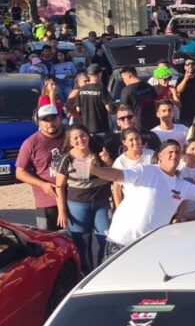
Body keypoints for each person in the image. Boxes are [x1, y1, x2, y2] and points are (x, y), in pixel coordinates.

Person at [87, 140, 195, 257]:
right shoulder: (146, 171)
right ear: (159, 156)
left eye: (177, 152)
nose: (174, 155)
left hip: (149, 246)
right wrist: (93, 170)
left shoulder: (181, 185)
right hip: (121, 242)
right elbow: (117, 175)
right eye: (169, 152)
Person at [54, 125, 111, 272]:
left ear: (89, 136)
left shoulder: (100, 154)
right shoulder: (66, 159)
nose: (80, 140)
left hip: (101, 203)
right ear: (71, 142)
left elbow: (114, 174)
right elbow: (59, 186)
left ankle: (101, 271)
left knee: (106, 240)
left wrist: (108, 161)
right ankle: (86, 274)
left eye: (83, 135)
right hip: (77, 205)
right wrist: (62, 211)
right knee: (82, 243)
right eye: (76, 138)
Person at [16, 104, 67, 228]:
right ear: (38, 122)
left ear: (60, 117)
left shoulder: (71, 135)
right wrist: (43, 185)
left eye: (53, 118)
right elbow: (20, 172)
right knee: (49, 240)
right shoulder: (31, 143)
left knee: (77, 241)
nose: (50, 123)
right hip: (46, 200)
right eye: (45, 120)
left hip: (73, 198)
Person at [110, 128, 154, 208]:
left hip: (151, 202)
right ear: (124, 142)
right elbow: (116, 188)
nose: (135, 142)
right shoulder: (120, 162)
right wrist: (119, 209)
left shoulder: (151, 154)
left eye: (137, 138)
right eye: (131, 140)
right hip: (131, 204)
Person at [74, 64, 115, 136]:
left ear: (88, 75)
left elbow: (78, 109)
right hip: (101, 128)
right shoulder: (101, 88)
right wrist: (115, 110)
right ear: (100, 74)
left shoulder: (81, 89)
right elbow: (109, 107)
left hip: (86, 130)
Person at [118, 66, 158, 131]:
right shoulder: (149, 86)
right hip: (155, 125)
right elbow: (156, 103)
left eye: (123, 78)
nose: (123, 81)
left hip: (138, 127)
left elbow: (123, 111)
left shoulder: (126, 91)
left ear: (129, 76)